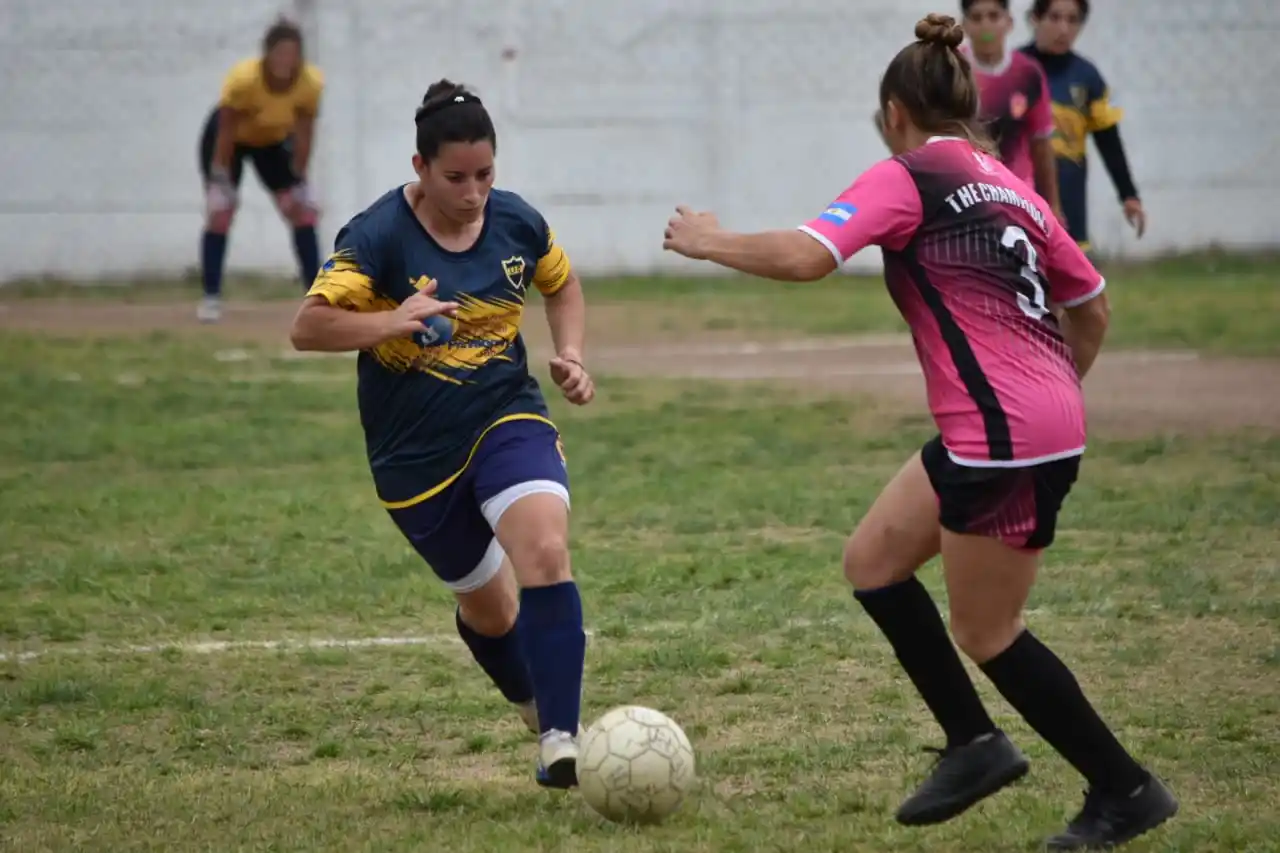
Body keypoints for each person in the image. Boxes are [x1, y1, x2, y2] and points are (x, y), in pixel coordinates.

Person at [661, 14, 1176, 850]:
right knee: (873, 561)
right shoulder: (1011, 184)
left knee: (987, 631)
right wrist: (1052, 394)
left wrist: (709, 240)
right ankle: (973, 742)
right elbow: (1093, 307)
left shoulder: (910, 175)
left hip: (1002, 434)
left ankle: (1125, 788)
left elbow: (809, 254)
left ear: (894, 112)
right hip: (1014, 424)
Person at [288, 79, 594, 789]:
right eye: (456, 178)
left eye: (485, 174)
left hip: (506, 414)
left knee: (546, 549)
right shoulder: (376, 236)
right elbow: (308, 327)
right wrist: (390, 320)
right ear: (420, 168)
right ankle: (531, 702)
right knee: (491, 612)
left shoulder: (517, 223)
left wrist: (572, 355)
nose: (474, 192)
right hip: (414, 456)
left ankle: (563, 738)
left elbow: (562, 285)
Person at [198, 17, 324, 323]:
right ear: (266, 54)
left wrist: (300, 177)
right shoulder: (244, 80)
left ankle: (318, 297)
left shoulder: (310, 83)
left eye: (292, 54)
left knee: (301, 211)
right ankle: (211, 297)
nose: (285, 61)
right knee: (221, 212)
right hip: (229, 141)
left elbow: (305, 133)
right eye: (279, 53)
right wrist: (220, 178)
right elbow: (226, 130)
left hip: (271, 141)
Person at [1021, 0, 1145, 254]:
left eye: (1072, 20)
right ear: (1035, 18)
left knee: (1071, 274)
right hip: (1020, 201)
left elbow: (1108, 140)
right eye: (1054, 18)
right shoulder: (1014, 71)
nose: (1063, 29)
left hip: (1070, 204)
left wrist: (1128, 195)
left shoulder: (1087, 77)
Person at [959, 0, 1063, 223]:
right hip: (965, 197)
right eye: (976, 18)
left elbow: (1041, 144)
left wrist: (1053, 206)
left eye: (993, 16)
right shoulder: (951, 70)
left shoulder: (1028, 73)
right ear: (964, 25)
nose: (986, 26)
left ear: (1009, 22)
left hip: (1018, 197)